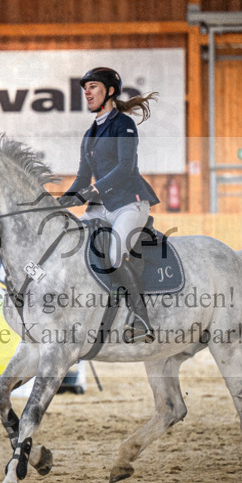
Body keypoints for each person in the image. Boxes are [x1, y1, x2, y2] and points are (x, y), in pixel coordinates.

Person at [59, 66, 160, 344]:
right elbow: (81, 177)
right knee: (71, 248)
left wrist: (92, 190)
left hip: (130, 202)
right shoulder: (90, 133)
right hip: (100, 206)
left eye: (92, 87)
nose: (87, 92)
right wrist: (63, 199)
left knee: (115, 256)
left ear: (110, 91)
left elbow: (125, 168)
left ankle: (141, 318)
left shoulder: (123, 125)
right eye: (85, 88)